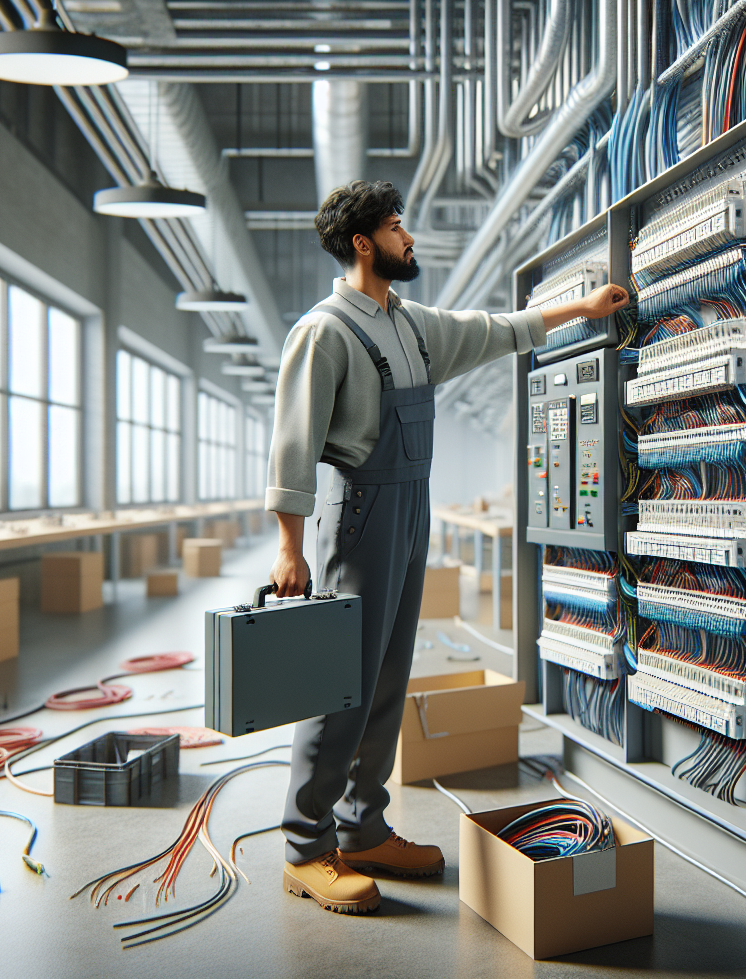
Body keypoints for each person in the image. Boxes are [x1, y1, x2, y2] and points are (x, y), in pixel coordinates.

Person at [265, 180, 627, 914]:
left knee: (391, 677)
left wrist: (581, 311)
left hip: (411, 508)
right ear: (363, 242)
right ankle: (306, 848)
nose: (409, 237)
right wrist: (289, 548)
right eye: (397, 227)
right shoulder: (325, 331)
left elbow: (497, 328)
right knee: (342, 687)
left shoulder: (413, 325)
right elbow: (292, 448)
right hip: (358, 514)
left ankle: (363, 828)